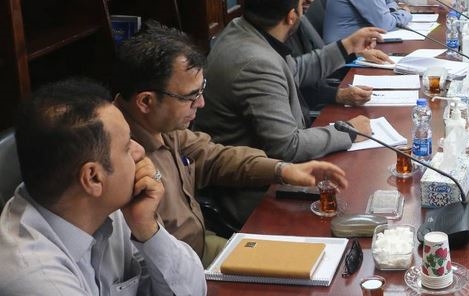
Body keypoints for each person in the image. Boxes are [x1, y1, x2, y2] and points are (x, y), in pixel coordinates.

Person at [113, 23, 349, 263]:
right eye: (191, 96)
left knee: (317, 258)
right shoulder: (118, 159)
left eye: (201, 90)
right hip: (175, 267)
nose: (201, 103)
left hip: (201, 244)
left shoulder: (162, 126)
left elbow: (214, 157)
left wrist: (283, 170)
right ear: (146, 102)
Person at [0, 78, 206, 295]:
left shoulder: (108, 206)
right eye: (126, 146)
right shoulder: (38, 280)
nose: (139, 151)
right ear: (93, 178)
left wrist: (147, 227)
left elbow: (193, 289)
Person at [197, 0, 378, 166]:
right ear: (291, 16)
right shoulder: (256, 63)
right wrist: (348, 131)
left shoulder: (244, 29)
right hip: (255, 180)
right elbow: (288, 147)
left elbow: (295, 71)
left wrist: (348, 46)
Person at [276, 0, 388, 111]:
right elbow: (294, 85)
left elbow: (311, 66)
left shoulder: (298, 18)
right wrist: (338, 95)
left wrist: (354, 52)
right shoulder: (278, 28)